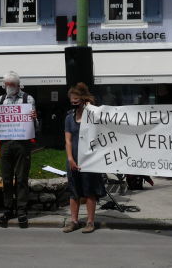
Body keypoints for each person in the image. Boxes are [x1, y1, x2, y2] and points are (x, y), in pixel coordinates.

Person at [0, 71, 37, 228]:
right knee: (6, 178)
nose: (8, 87)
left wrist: (34, 118)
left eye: (11, 85)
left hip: (22, 143)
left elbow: (34, 125)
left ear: (18, 85)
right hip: (5, 143)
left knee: (21, 178)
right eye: (6, 84)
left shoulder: (28, 99)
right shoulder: (1, 99)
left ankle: (21, 209)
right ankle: (8, 208)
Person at [61, 83, 106, 234]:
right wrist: (70, 159)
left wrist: (89, 108)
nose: (74, 103)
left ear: (83, 99)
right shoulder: (69, 118)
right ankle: (74, 221)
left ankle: (90, 222)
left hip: (89, 159)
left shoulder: (92, 115)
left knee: (89, 191)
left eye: (77, 100)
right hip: (74, 159)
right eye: (72, 100)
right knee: (74, 192)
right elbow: (68, 140)